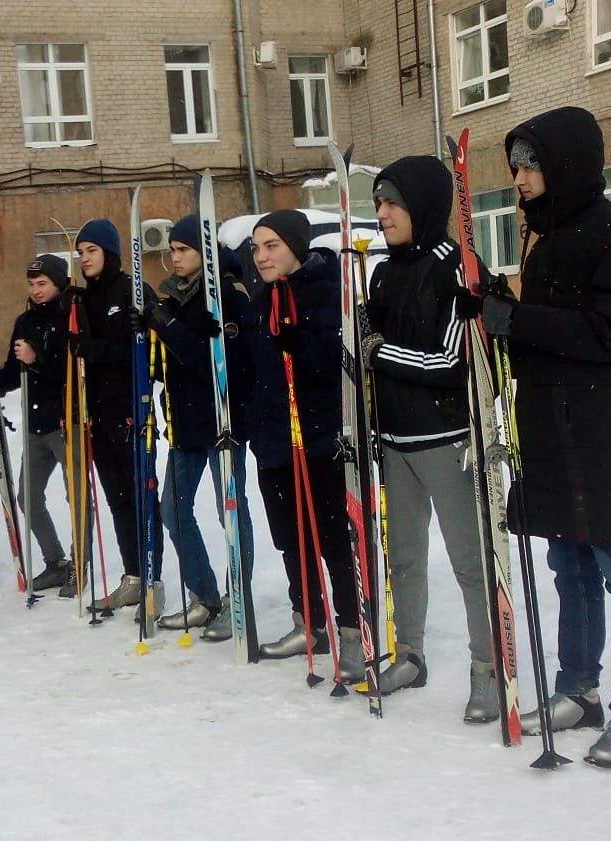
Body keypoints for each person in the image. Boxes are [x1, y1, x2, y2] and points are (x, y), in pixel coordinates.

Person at [480, 106, 611, 767]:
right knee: (570, 570)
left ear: (564, 164)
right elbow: (547, 335)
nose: (518, 178)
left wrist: (520, 321)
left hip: (606, 437)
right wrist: (498, 310)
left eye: (528, 165)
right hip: (553, 432)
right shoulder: (543, 237)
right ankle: (578, 690)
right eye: (515, 166)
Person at [359, 156, 496, 719]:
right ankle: (410, 653)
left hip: (447, 439)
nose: (382, 214)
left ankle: (489, 668)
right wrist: (360, 332)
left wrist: (379, 351)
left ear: (422, 205)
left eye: (392, 203)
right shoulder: (383, 272)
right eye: (378, 203)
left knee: (470, 562)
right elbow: (370, 350)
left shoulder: (455, 268)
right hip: (395, 441)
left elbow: (449, 363)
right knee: (405, 558)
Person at [246, 210, 361, 679]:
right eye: (256, 248)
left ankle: (352, 630)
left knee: (333, 541)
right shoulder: (259, 301)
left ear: (295, 246)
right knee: (291, 541)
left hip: (318, 440)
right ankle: (308, 622)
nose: (261, 256)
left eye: (271, 245)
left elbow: (340, 361)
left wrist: (304, 346)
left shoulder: (327, 291)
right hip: (274, 441)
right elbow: (253, 371)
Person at [149, 214, 255, 636]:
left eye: (183, 250)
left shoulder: (229, 295)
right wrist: (150, 328)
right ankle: (204, 595)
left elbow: (213, 364)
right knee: (173, 511)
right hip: (186, 425)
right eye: (172, 250)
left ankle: (237, 599)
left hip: (223, 422)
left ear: (204, 253)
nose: (175, 258)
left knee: (230, 511)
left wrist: (170, 327)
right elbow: (171, 364)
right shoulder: (176, 296)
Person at [69, 218, 165, 616]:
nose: (84, 258)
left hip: (131, 411)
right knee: (118, 501)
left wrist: (92, 348)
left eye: (91, 251)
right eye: (80, 252)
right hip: (99, 416)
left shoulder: (131, 290)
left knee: (142, 499)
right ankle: (133, 577)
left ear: (109, 253)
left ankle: (153, 581)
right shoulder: (83, 299)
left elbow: (145, 357)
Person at [0, 254, 85, 594]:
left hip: (66, 420)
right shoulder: (25, 321)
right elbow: (17, 372)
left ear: (58, 283)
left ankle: (79, 565)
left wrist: (36, 358)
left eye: (42, 283)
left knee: (77, 498)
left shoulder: (70, 316)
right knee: (27, 497)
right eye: (31, 284)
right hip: (35, 423)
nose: (36, 290)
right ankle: (55, 561)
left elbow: (68, 370)